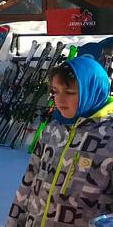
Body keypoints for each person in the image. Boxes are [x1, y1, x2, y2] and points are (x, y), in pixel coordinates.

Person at [6, 55, 113, 227]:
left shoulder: (109, 137)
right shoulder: (52, 130)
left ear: (92, 90)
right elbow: (27, 184)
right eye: (55, 91)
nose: (60, 100)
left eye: (69, 92)